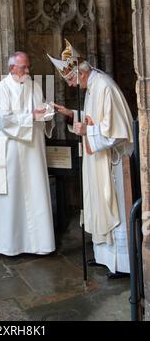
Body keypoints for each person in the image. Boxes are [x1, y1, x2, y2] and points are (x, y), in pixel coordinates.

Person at [49, 41, 133, 278]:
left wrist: (88, 132)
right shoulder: (92, 85)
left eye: (72, 80)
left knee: (111, 206)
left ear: (81, 71)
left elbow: (115, 130)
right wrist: (71, 113)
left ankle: (121, 263)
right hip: (97, 160)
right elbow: (93, 119)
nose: (72, 85)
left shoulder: (104, 86)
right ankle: (105, 256)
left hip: (112, 163)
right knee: (98, 205)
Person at [0, 51, 56, 256]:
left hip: (33, 150)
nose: (27, 71)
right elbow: (5, 121)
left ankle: (40, 245)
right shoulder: (0, 89)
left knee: (36, 193)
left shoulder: (34, 86)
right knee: (11, 198)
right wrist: (32, 117)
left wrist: (47, 112)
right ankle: (10, 245)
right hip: (10, 151)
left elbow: (42, 111)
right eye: (23, 68)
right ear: (12, 68)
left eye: (28, 67)